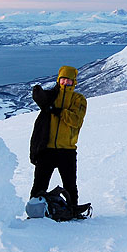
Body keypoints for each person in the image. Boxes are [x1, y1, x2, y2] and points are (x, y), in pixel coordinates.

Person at [29, 65, 87, 206]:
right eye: (63, 80)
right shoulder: (51, 96)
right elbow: (42, 101)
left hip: (67, 150)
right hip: (46, 150)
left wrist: (57, 111)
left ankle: (72, 211)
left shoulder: (79, 99)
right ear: (58, 80)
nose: (65, 83)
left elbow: (76, 120)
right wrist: (38, 94)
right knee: (39, 186)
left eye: (69, 81)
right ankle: (34, 212)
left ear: (74, 83)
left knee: (70, 186)